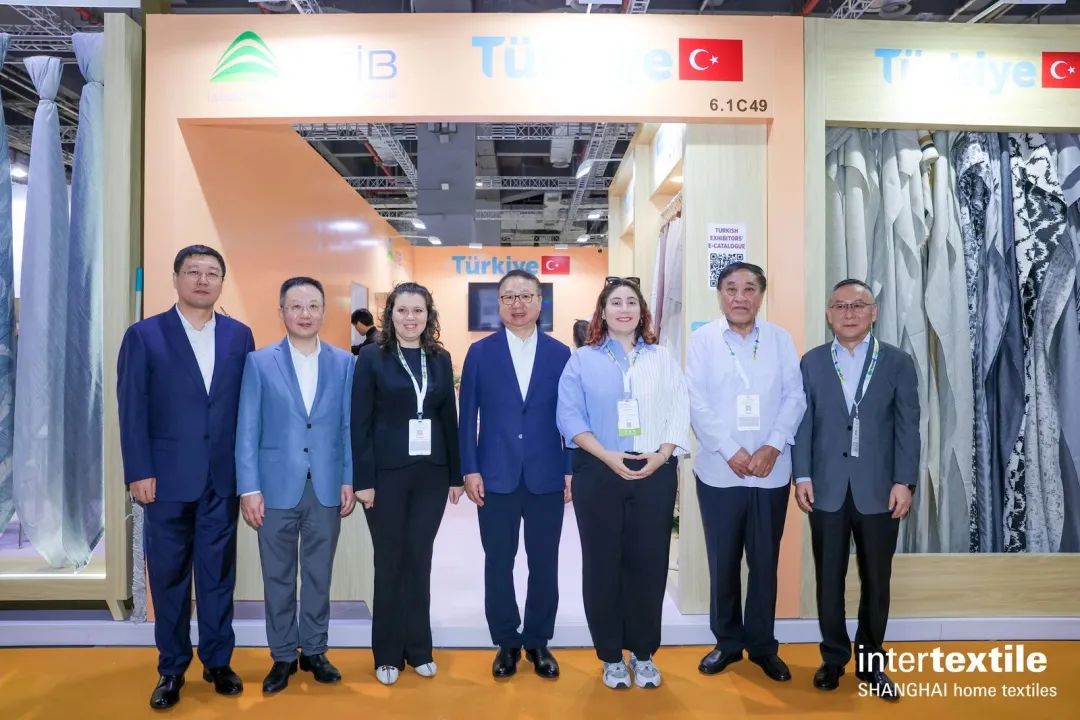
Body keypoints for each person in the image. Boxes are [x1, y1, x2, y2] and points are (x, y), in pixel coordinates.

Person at [117, 245, 255, 710]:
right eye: (193, 272)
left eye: (212, 273)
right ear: (175, 278)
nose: (202, 280)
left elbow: (246, 409)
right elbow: (132, 408)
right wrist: (139, 470)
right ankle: (172, 667)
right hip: (165, 481)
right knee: (168, 578)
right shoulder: (145, 335)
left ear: (221, 283)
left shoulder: (239, 336)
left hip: (221, 479)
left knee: (218, 576)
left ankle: (218, 661)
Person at [556, 277, 690, 690]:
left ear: (642, 311)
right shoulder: (582, 360)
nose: (624, 309)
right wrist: (606, 455)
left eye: (631, 302)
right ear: (603, 311)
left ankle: (644, 653)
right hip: (598, 469)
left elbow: (679, 407)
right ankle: (611, 655)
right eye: (616, 302)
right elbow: (569, 416)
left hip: (654, 470)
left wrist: (662, 456)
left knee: (649, 563)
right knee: (602, 564)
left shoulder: (661, 357)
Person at [793, 278, 919, 700]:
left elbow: (908, 428)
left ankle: (870, 662)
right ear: (828, 313)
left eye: (858, 305)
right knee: (828, 579)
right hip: (826, 488)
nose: (849, 313)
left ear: (873, 312)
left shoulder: (898, 361)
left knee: (876, 580)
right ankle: (833, 659)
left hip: (881, 490)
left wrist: (904, 481)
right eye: (841, 306)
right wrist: (802, 476)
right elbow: (803, 424)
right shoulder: (811, 362)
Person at [235, 277, 357, 695]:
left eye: (313, 306)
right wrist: (249, 488)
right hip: (274, 489)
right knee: (278, 577)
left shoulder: (345, 363)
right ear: (282, 311)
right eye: (296, 306)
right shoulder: (259, 362)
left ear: (324, 311)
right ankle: (284, 654)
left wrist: (348, 478)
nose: (305, 314)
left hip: (326, 487)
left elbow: (348, 427)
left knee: (319, 574)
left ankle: (316, 650)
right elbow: (247, 430)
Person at [686, 262, 806, 683]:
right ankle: (727, 642)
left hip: (771, 471)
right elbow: (696, 401)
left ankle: (762, 645)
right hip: (720, 472)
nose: (740, 297)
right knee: (723, 561)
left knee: (764, 561)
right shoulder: (703, 340)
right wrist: (730, 450)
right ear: (720, 295)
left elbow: (795, 396)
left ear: (761, 294)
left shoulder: (779, 339)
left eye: (749, 289)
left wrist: (773, 445)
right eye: (731, 289)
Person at [459, 269, 572, 680]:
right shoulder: (480, 353)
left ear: (540, 302)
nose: (518, 304)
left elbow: (571, 418)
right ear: (499, 304)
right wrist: (469, 468)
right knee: (498, 561)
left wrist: (569, 468)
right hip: (495, 475)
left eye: (526, 296)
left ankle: (538, 640)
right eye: (508, 297)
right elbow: (466, 416)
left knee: (544, 562)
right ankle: (506, 641)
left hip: (546, 474)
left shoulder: (561, 354)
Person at [351, 282, 464, 686]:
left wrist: (455, 475)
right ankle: (386, 653)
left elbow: (448, 420)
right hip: (385, 477)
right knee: (389, 561)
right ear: (390, 314)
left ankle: (419, 648)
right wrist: (363, 480)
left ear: (428, 315)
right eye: (402, 310)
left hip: (431, 475)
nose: (410, 318)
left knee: (419, 558)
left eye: (418, 311)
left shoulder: (439, 358)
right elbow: (359, 421)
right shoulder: (371, 357)